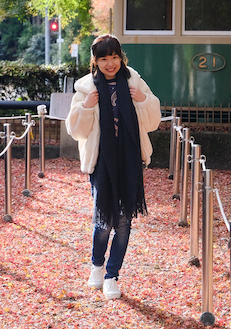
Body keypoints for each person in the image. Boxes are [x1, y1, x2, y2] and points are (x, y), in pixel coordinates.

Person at [66, 34, 161, 300]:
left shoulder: (134, 82)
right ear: (95, 61)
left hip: (130, 159)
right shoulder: (86, 89)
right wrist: (86, 107)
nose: (111, 64)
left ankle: (112, 275)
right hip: (101, 163)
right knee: (104, 218)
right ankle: (97, 265)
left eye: (115, 57)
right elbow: (76, 131)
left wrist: (142, 100)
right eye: (104, 58)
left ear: (122, 58)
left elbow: (153, 121)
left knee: (123, 220)